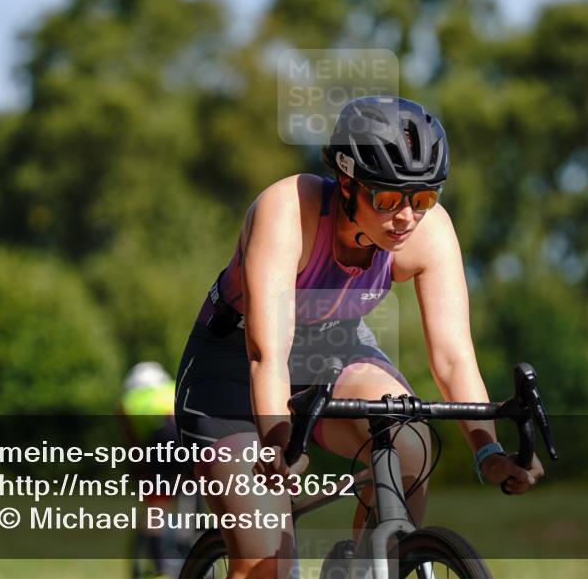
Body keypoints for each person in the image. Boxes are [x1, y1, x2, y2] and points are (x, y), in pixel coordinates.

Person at [174, 96, 544, 579]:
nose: (407, 217)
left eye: (423, 198)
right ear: (347, 184)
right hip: (234, 368)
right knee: (267, 564)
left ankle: (367, 569)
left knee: (409, 439)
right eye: (388, 200)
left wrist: (488, 453)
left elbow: (454, 357)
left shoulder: (428, 233)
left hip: (335, 351)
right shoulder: (288, 209)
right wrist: (279, 442)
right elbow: (267, 354)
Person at [120, 361, 181, 579]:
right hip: (185, 435)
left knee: (157, 506)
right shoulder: (172, 388)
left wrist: (141, 473)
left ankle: (160, 566)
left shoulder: (128, 401)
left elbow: (133, 445)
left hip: (160, 440)